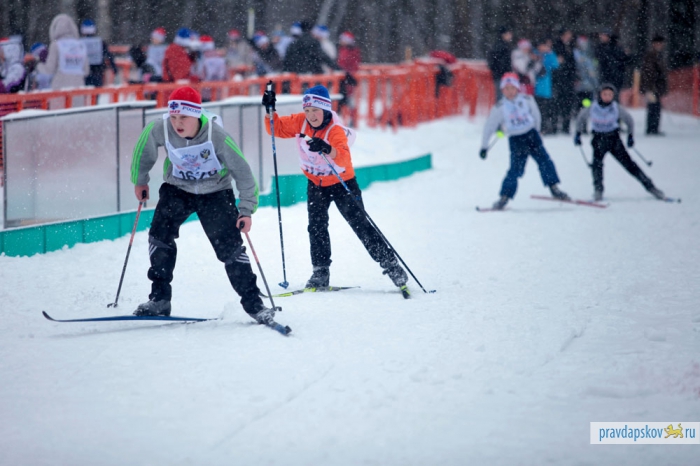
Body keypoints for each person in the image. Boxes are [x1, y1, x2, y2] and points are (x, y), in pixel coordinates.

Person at [129, 86, 277, 325]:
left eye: (183, 117)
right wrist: (140, 179)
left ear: (196, 115)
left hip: (215, 192)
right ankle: (159, 299)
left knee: (229, 248)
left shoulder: (216, 135)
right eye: (173, 117)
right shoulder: (161, 128)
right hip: (178, 189)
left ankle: (254, 304)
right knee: (159, 236)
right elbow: (143, 149)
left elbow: (243, 172)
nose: (177, 123)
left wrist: (246, 209)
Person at [261, 85, 410, 294]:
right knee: (316, 227)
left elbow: (343, 156)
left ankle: (391, 265)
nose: (311, 115)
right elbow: (275, 129)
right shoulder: (300, 121)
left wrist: (326, 148)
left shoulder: (335, 130)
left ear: (325, 109)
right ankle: (320, 272)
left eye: (315, 110)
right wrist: (270, 111)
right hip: (316, 184)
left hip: (342, 184)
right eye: (307, 110)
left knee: (361, 225)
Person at [479, 73, 570, 210]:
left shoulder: (527, 99)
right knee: (515, 170)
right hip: (516, 140)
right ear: (502, 90)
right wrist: (484, 146)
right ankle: (504, 197)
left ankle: (554, 188)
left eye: (512, 88)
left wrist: (537, 131)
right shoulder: (499, 107)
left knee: (544, 161)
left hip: (531, 135)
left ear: (517, 88)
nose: (510, 91)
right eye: (506, 89)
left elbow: (536, 115)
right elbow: (490, 126)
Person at [574, 83, 665, 201]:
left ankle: (650, 187)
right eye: (605, 94)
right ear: (600, 95)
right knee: (597, 166)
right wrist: (578, 134)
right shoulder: (592, 107)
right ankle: (598, 190)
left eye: (610, 95)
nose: (607, 97)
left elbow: (629, 120)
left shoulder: (616, 108)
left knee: (630, 165)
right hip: (598, 140)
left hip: (614, 140)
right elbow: (580, 118)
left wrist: (630, 136)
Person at [37, 13, 89, 90]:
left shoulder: (56, 45)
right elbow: (86, 71)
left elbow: (49, 70)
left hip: (60, 87)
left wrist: (39, 65)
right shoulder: (80, 45)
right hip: (78, 87)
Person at [640, 35, 668, 135]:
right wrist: (649, 88)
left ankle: (653, 128)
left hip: (655, 87)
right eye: (658, 43)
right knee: (653, 107)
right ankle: (652, 128)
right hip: (652, 87)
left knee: (655, 107)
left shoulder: (659, 55)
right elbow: (648, 73)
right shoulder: (651, 56)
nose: (660, 45)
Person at [552, 28, 577, 134]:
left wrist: (574, 76)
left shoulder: (571, 46)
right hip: (559, 79)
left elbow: (572, 64)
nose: (569, 37)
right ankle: (555, 126)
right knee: (557, 103)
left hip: (568, 80)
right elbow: (557, 63)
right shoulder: (557, 46)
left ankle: (566, 126)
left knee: (568, 104)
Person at [79, 19, 117, 87]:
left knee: (83, 90)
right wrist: (114, 69)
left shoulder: (79, 43)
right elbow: (109, 55)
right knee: (97, 90)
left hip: (82, 72)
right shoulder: (100, 42)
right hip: (97, 72)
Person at [533, 38, 559, 134]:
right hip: (535, 87)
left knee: (545, 109)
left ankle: (545, 127)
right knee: (537, 109)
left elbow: (555, 65)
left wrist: (550, 53)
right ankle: (539, 127)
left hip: (546, 87)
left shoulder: (548, 55)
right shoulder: (535, 54)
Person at [595, 30, 629, 98]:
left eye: (604, 35)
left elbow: (624, 60)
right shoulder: (600, 48)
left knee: (613, 95)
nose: (601, 37)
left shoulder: (615, 48)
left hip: (614, 77)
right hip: (605, 76)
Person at [337, 31, 361, 126]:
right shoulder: (343, 49)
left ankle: (351, 119)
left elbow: (353, 65)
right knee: (344, 99)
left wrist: (348, 74)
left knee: (349, 99)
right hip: (344, 78)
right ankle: (345, 119)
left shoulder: (352, 51)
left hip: (348, 78)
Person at [487, 26, 514, 100]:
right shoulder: (502, 46)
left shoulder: (498, 45)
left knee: (502, 95)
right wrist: (505, 71)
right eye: (509, 34)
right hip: (501, 75)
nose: (511, 36)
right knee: (502, 96)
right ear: (503, 35)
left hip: (500, 75)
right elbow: (499, 61)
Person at [573, 35, 598, 115]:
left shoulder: (589, 55)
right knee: (581, 102)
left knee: (586, 102)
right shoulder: (576, 53)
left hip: (588, 85)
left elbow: (593, 70)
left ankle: (584, 114)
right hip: (581, 85)